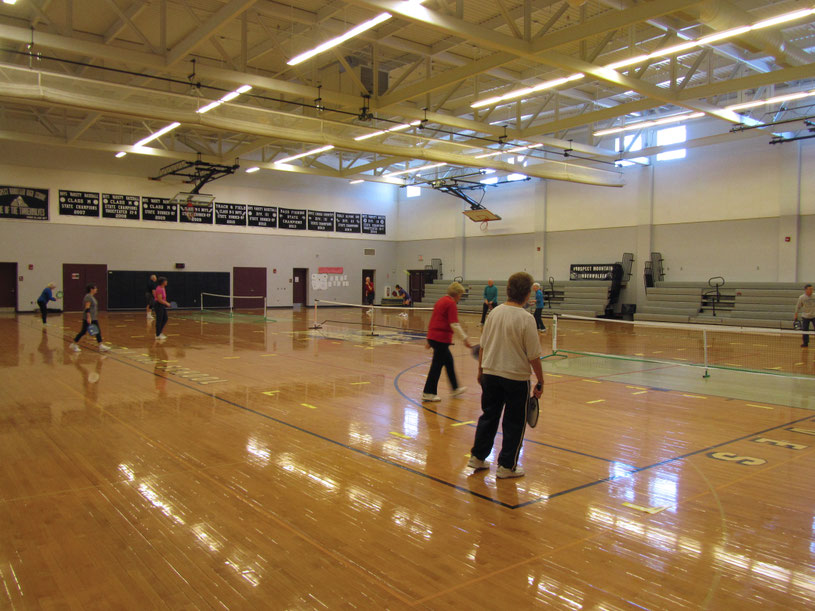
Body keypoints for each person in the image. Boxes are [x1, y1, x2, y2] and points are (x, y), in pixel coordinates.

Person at [469, 272, 544, 479]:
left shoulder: (494, 313)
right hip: (515, 379)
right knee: (514, 422)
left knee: (488, 416)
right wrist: (541, 380)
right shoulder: (527, 319)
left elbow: (483, 345)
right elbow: (534, 356)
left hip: (490, 374)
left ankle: (477, 457)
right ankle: (506, 466)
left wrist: (480, 371)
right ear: (528, 293)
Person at [422, 282, 472, 402]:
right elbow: (454, 324)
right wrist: (464, 338)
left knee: (449, 361)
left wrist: (429, 339)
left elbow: (433, 319)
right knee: (436, 366)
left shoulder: (441, 301)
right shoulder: (451, 304)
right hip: (441, 339)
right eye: (460, 295)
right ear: (457, 294)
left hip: (435, 337)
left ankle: (455, 388)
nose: (460, 297)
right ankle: (428, 392)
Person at [70, 283, 110, 352]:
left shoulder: (92, 296)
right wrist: (88, 317)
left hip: (93, 317)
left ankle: (100, 345)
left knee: (97, 331)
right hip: (89, 318)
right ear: (91, 289)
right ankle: (74, 344)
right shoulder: (88, 297)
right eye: (95, 288)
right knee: (83, 332)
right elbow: (87, 307)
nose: (96, 289)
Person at [794, 283, 815, 347]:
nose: (811, 290)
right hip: (805, 316)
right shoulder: (801, 297)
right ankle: (805, 343)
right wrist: (796, 315)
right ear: (806, 290)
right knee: (805, 330)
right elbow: (798, 307)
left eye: (812, 289)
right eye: (810, 289)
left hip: (814, 315)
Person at [154, 276, 170, 341]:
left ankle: (159, 332)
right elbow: (159, 300)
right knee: (159, 320)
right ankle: (158, 335)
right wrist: (166, 303)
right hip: (158, 305)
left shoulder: (163, 288)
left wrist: (165, 303)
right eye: (166, 281)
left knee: (165, 318)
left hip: (162, 305)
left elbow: (163, 299)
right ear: (163, 282)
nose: (167, 282)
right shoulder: (159, 289)